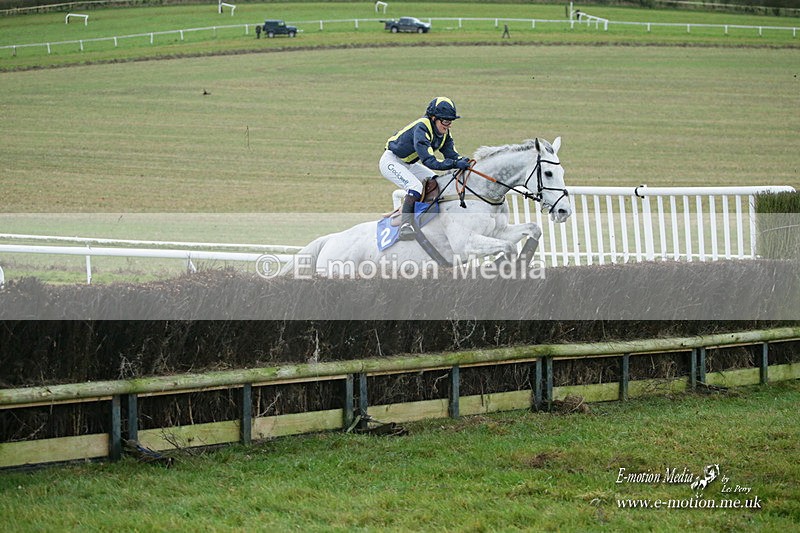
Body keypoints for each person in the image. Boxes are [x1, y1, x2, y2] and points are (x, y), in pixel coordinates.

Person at [379, 97, 471, 240]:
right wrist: (454, 164)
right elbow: (429, 161)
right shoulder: (422, 127)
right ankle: (406, 225)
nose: (449, 125)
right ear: (434, 118)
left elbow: (452, 155)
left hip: (409, 164)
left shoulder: (444, 133)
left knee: (436, 183)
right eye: (445, 121)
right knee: (415, 187)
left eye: (450, 121)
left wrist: (465, 162)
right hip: (391, 161)